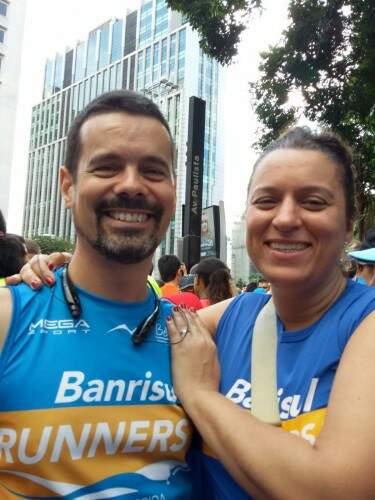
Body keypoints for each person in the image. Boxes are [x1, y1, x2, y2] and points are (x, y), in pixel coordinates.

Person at [0, 90, 195, 498]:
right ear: (67, 186)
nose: (131, 185)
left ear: (173, 192)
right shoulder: (7, 317)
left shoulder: (195, 337)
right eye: (107, 167)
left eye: (153, 171)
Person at [167, 127, 375, 498]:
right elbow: (127, 322)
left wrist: (200, 396)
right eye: (266, 201)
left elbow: (336, 490)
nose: (285, 218)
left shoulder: (364, 323)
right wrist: (51, 277)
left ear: (348, 225)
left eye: (313, 202)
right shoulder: (235, 315)